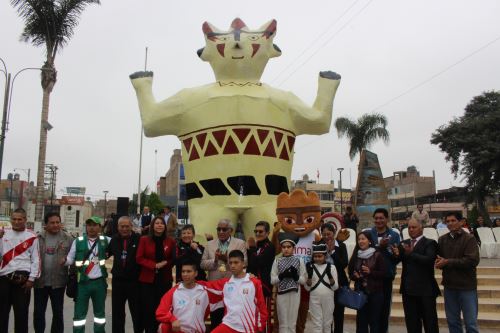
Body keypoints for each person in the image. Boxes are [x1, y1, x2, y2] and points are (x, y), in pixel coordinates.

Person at [200, 250, 268, 333]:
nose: (233, 265)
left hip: (247, 328)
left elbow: (261, 307)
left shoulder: (254, 282)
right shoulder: (226, 283)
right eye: (231, 263)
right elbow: (205, 285)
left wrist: (260, 328)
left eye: (236, 262)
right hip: (228, 324)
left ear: (243, 263)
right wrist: (186, 283)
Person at [392, 219, 440, 333]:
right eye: (409, 228)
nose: (411, 230)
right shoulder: (404, 243)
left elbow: (429, 260)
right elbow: (395, 261)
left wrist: (411, 253)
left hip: (426, 290)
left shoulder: (430, 243)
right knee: (412, 323)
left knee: (430, 322)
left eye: (414, 227)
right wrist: (395, 254)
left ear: (421, 228)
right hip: (408, 290)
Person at [435, 212, 480, 333]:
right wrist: (439, 262)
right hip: (450, 286)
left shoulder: (469, 239)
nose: (450, 223)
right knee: (453, 322)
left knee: (470, 323)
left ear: (461, 222)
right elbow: (440, 259)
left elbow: (472, 260)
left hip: (467, 287)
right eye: (447, 221)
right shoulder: (442, 240)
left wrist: (447, 262)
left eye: (453, 220)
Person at [65, 216, 110, 333]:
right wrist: (64, 261)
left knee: (100, 315)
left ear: (100, 227)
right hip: (82, 283)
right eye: (89, 225)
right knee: (79, 315)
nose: (91, 228)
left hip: (99, 283)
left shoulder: (106, 240)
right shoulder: (78, 241)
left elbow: (119, 243)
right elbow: (70, 258)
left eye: (95, 225)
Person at [200, 219, 247, 328]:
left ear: (230, 230)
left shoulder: (239, 243)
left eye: (224, 229)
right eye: (218, 229)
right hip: (215, 288)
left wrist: (227, 260)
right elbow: (202, 264)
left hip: (233, 287)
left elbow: (245, 264)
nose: (221, 231)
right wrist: (215, 260)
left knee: (232, 320)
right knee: (216, 321)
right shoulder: (209, 244)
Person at [0, 208, 40, 333]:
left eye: (19, 219)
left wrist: (31, 279)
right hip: (3, 278)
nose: (16, 222)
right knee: (2, 314)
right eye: (14, 219)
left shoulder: (32, 236)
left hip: (22, 280)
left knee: (21, 315)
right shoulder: (3, 233)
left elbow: (36, 259)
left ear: (25, 220)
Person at [33, 212, 73, 333]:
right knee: (39, 313)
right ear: (46, 224)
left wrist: (72, 278)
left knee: (58, 313)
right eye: (52, 223)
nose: (56, 225)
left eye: (57, 222)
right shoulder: (37, 238)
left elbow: (74, 258)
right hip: (40, 282)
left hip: (59, 283)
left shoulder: (68, 238)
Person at [136, 216, 176, 333]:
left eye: (162, 223)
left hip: (164, 280)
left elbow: (173, 259)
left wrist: (165, 263)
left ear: (165, 226)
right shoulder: (144, 240)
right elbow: (139, 258)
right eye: (157, 223)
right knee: (148, 310)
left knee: (162, 309)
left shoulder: (171, 241)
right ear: (152, 226)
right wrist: (154, 265)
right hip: (147, 281)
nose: (159, 225)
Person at [107, 216, 142, 333]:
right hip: (118, 281)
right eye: (122, 226)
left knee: (137, 313)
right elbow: (105, 254)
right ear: (118, 227)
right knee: (117, 313)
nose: (125, 229)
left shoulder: (139, 239)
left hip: (134, 281)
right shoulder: (113, 240)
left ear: (131, 226)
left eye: (127, 226)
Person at [156, 260, 212, 333]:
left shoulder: (205, 291)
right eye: (183, 271)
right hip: (178, 331)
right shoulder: (174, 291)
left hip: (196, 331)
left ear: (196, 273)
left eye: (188, 271)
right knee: (162, 327)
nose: (185, 274)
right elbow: (160, 312)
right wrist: (172, 320)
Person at [368, 207, 400, 333]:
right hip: (371, 277)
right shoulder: (369, 234)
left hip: (386, 277)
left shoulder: (394, 235)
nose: (378, 220)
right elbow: (365, 253)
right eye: (376, 218)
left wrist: (396, 254)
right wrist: (379, 247)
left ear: (387, 219)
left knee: (385, 310)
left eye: (381, 218)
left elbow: (397, 258)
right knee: (373, 311)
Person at [348, 231, 385, 333]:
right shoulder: (356, 255)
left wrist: (370, 272)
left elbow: (383, 273)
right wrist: (356, 277)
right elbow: (350, 273)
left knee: (375, 322)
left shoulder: (377, 255)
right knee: (361, 322)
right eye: (359, 239)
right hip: (361, 293)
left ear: (369, 241)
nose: (361, 241)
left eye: (363, 239)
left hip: (375, 293)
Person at [270, 233, 306, 333]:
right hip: (281, 294)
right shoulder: (277, 261)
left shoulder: (300, 261)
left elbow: (303, 281)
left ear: (293, 247)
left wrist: (296, 277)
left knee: (292, 323)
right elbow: (272, 280)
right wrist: (281, 276)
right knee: (283, 323)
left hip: (295, 293)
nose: (286, 249)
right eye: (284, 247)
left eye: (288, 247)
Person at [246, 221, 275, 332]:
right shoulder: (255, 245)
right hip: (252, 286)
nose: (258, 233)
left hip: (264, 288)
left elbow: (258, 263)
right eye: (256, 231)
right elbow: (249, 265)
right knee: (252, 316)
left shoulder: (270, 247)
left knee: (263, 317)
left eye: (260, 231)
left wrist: (252, 248)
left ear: (267, 233)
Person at [320, 223, 348, 333]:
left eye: (329, 234)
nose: (326, 237)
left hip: (339, 284)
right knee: (326, 314)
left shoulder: (341, 245)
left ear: (334, 233)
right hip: (324, 284)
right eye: (324, 234)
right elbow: (315, 263)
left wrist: (332, 252)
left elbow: (343, 264)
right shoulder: (319, 245)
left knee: (339, 313)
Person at [305, 241, 338, 333]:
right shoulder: (310, 267)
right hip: (314, 298)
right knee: (317, 324)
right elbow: (307, 288)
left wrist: (330, 276)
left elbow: (335, 287)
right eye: (315, 256)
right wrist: (310, 277)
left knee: (327, 323)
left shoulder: (332, 268)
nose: (317, 258)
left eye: (320, 256)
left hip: (328, 298)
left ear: (325, 256)